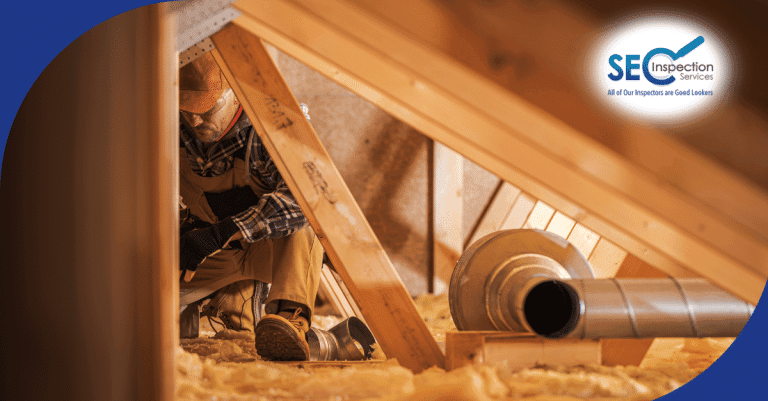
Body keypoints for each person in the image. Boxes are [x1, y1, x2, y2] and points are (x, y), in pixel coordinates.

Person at [177, 52, 322, 361]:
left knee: (307, 220)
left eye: (206, 109)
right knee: (134, 300)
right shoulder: (172, 125)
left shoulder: (275, 122)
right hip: (208, 251)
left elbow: (304, 198)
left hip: (269, 251)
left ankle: (288, 318)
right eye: (186, 110)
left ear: (235, 93)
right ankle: (226, 300)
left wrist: (223, 231)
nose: (195, 120)